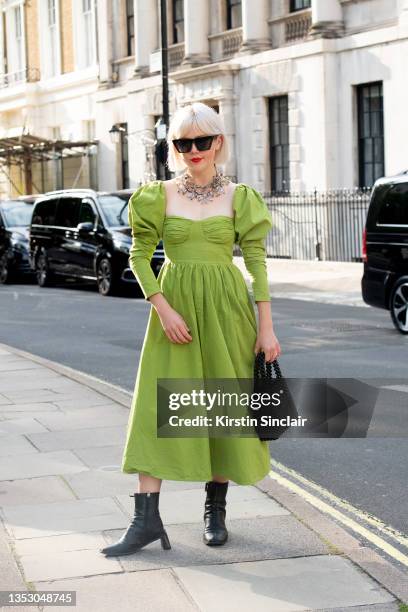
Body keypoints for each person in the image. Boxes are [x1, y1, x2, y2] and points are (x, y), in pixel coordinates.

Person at [100, 102, 281, 557]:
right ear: (173, 147)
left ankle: (215, 510)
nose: (193, 150)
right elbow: (139, 257)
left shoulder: (240, 197)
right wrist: (162, 307)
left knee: (221, 408)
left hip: (227, 311)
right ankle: (145, 520)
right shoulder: (157, 196)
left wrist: (267, 328)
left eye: (202, 141)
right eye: (183, 143)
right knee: (156, 409)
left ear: (218, 142)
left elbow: (256, 264)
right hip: (174, 311)